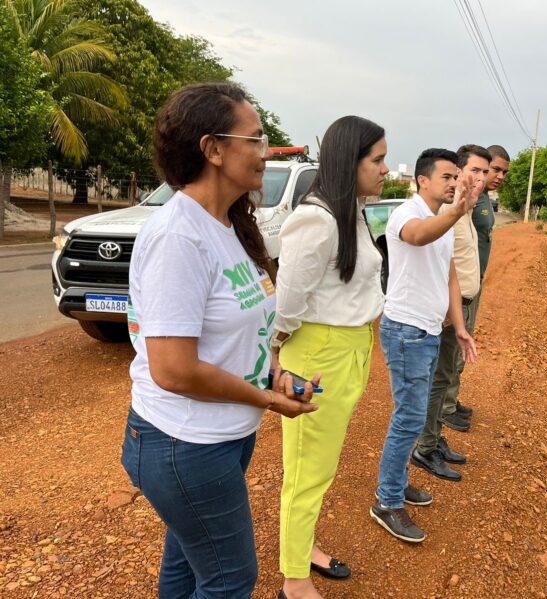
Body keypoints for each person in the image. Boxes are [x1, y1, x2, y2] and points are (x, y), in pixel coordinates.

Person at [120, 81, 318, 599]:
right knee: (231, 579)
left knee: (188, 566)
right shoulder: (177, 237)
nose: (265, 151)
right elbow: (173, 370)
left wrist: (276, 375)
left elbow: (242, 331)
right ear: (212, 149)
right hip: (183, 444)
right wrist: (267, 400)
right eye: (253, 139)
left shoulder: (227, 225)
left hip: (219, 437)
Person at [273, 116, 387, 599]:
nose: (385, 169)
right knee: (306, 470)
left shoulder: (353, 212)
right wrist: (277, 360)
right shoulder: (315, 220)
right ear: (350, 161)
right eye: (377, 160)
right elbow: (286, 304)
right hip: (319, 353)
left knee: (322, 466)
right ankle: (294, 579)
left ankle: (303, 547)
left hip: (352, 348)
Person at [370, 148, 478, 543]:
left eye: (456, 177)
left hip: (429, 330)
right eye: (447, 177)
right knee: (409, 418)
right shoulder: (407, 214)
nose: (453, 183)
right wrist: (456, 212)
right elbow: (417, 238)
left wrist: (460, 326)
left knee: (411, 415)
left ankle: (395, 484)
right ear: (423, 181)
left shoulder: (440, 220)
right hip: (407, 332)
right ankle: (387, 501)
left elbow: (448, 272)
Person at [412, 145, 490, 480]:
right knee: (437, 380)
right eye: (473, 171)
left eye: (485, 173)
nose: (480, 179)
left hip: (461, 306)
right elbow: (439, 267)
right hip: (446, 311)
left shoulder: (466, 211)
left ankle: (433, 437)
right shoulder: (444, 213)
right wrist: (450, 309)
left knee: (445, 377)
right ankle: (425, 447)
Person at [440, 144, 510, 431]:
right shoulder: (462, 202)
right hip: (458, 288)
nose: (496, 176)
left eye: (499, 172)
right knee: (450, 353)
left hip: (472, 284)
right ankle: (444, 407)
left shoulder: (480, 201)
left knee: (459, 350)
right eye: (491, 169)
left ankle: (450, 401)